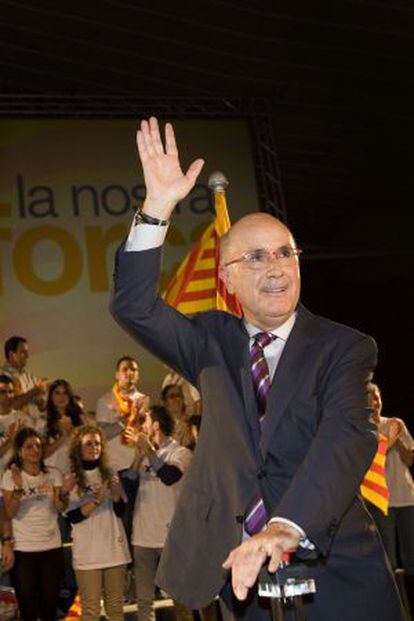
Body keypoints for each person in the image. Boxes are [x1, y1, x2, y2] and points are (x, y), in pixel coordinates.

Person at [110, 117, 406, 620]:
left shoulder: (344, 348)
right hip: (239, 576)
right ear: (227, 278)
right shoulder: (210, 340)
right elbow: (134, 307)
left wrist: (285, 526)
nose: (275, 265)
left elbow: (346, 438)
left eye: (285, 253)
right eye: (256, 256)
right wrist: (158, 207)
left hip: (332, 568)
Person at [128, 405, 193, 621]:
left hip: (169, 537)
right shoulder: (144, 453)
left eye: (144, 423)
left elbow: (169, 476)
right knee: (144, 601)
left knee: (179, 596)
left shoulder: (180, 452)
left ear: (155, 425)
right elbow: (127, 488)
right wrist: (138, 458)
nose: (141, 428)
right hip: (142, 537)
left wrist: (149, 452)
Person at [65, 425, 131, 621]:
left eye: (97, 443)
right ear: (78, 447)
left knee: (116, 609)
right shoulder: (72, 478)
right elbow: (72, 516)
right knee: (91, 611)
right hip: (87, 553)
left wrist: (117, 494)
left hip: (114, 550)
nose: (94, 447)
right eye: (88, 444)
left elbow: (121, 512)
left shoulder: (110, 474)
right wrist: (96, 500)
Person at [1, 427, 67, 621]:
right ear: (20, 451)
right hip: (24, 549)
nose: (34, 450)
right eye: (29, 446)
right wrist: (19, 487)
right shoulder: (9, 476)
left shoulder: (53, 474)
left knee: (49, 607)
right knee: (28, 608)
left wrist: (62, 494)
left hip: (51, 546)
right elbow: (9, 512)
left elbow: (60, 507)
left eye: (38, 446)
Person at [368, 382, 414, 574]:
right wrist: (390, 439)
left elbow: (409, 459)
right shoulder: (363, 430)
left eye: (377, 398)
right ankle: (397, 599)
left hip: (405, 495)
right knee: (389, 557)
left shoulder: (395, 423)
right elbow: (373, 460)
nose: (376, 403)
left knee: (411, 552)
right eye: (371, 399)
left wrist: (400, 439)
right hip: (381, 500)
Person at [96, 356, 149, 474]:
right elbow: (102, 435)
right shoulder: (105, 400)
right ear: (117, 374)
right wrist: (125, 421)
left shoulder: (144, 400)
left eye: (133, 370)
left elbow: (147, 433)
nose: (129, 372)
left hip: (138, 462)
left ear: (138, 375)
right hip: (114, 464)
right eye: (125, 369)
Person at [0, 337, 48, 431]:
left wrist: (41, 403)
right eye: (23, 352)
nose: (27, 356)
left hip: (34, 429)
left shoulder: (30, 378)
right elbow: (9, 405)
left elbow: (41, 407)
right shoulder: (1, 376)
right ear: (11, 354)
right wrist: (34, 391)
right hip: (11, 430)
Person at [44, 379, 84, 475]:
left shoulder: (80, 420)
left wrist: (73, 433)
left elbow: (83, 451)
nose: (61, 397)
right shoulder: (42, 422)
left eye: (65, 393)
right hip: (48, 475)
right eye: (57, 393)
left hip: (72, 474)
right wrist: (64, 436)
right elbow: (41, 454)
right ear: (51, 396)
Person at [0, 375, 31, 474]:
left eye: (10, 392)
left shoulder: (23, 419)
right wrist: (12, 439)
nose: (8, 396)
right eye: (2, 392)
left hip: (18, 476)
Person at [161, 384, 198, 450]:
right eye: (172, 396)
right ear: (165, 402)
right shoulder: (162, 426)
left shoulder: (192, 423)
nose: (177, 399)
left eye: (179, 395)